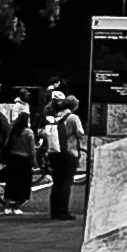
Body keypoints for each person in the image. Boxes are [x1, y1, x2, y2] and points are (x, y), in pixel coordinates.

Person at [45, 87, 86, 223]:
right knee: (66, 183)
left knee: (57, 183)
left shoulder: (56, 116)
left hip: (56, 152)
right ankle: (63, 211)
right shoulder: (73, 118)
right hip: (69, 153)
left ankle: (54, 211)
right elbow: (80, 133)